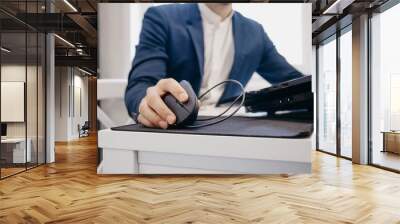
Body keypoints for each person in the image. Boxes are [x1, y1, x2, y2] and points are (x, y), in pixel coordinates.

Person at [125, 3, 303, 129]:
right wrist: (146, 102)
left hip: (230, 129)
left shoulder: (255, 32)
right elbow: (141, 84)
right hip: (174, 127)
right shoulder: (162, 18)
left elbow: (295, 81)